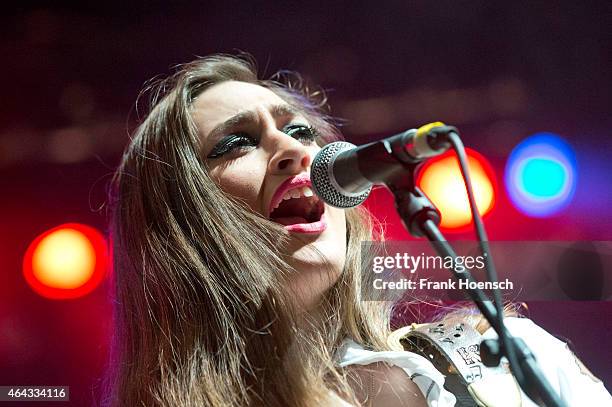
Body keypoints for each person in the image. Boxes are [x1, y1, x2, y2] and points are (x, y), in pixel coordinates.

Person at [103, 54, 611, 406]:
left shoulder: (500, 358)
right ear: (179, 232)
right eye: (235, 142)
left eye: (300, 130)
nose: (294, 150)